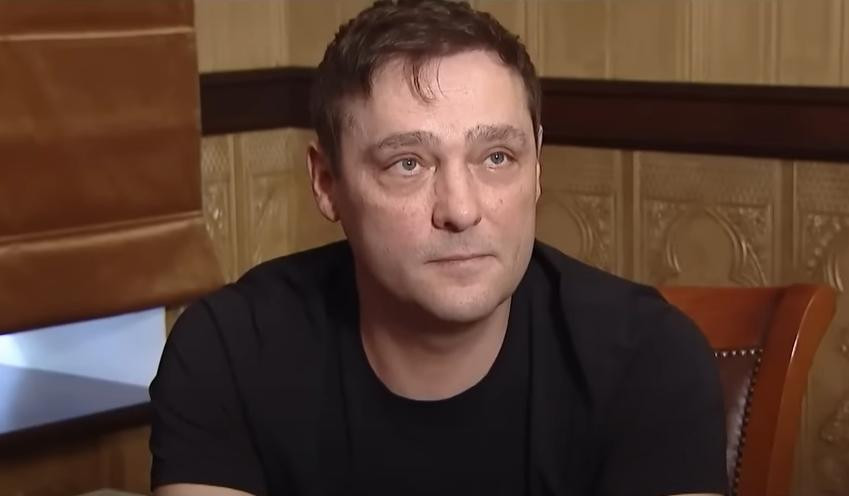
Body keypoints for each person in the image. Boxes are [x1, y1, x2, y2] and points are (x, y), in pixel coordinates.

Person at [149, 1, 728, 495]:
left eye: (497, 157)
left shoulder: (648, 360)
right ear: (327, 184)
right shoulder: (228, 352)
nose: (460, 209)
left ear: (537, 167)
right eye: (408, 163)